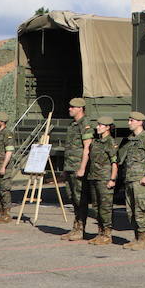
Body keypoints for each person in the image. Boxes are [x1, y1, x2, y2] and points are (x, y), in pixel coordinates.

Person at [118, 111, 145, 250]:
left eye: (132, 120)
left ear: (140, 122)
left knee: (141, 208)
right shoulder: (131, 139)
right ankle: (136, 237)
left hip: (140, 180)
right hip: (130, 179)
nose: (129, 123)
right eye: (129, 120)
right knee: (131, 210)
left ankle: (142, 239)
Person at [60, 97, 94, 241]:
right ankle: (76, 227)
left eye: (73, 107)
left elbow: (87, 148)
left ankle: (80, 229)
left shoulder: (85, 124)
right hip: (70, 167)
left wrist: (82, 168)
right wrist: (65, 169)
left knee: (80, 199)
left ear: (80, 108)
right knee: (73, 198)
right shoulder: (73, 125)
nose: (70, 109)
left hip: (78, 168)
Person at [84, 115, 119, 245]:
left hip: (105, 179)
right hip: (94, 178)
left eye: (100, 125)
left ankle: (107, 235)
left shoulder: (111, 143)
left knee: (105, 208)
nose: (97, 127)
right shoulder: (96, 143)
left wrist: (112, 179)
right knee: (96, 208)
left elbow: (114, 163)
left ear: (107, 127)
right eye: (98, 125)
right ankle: (100, 233)